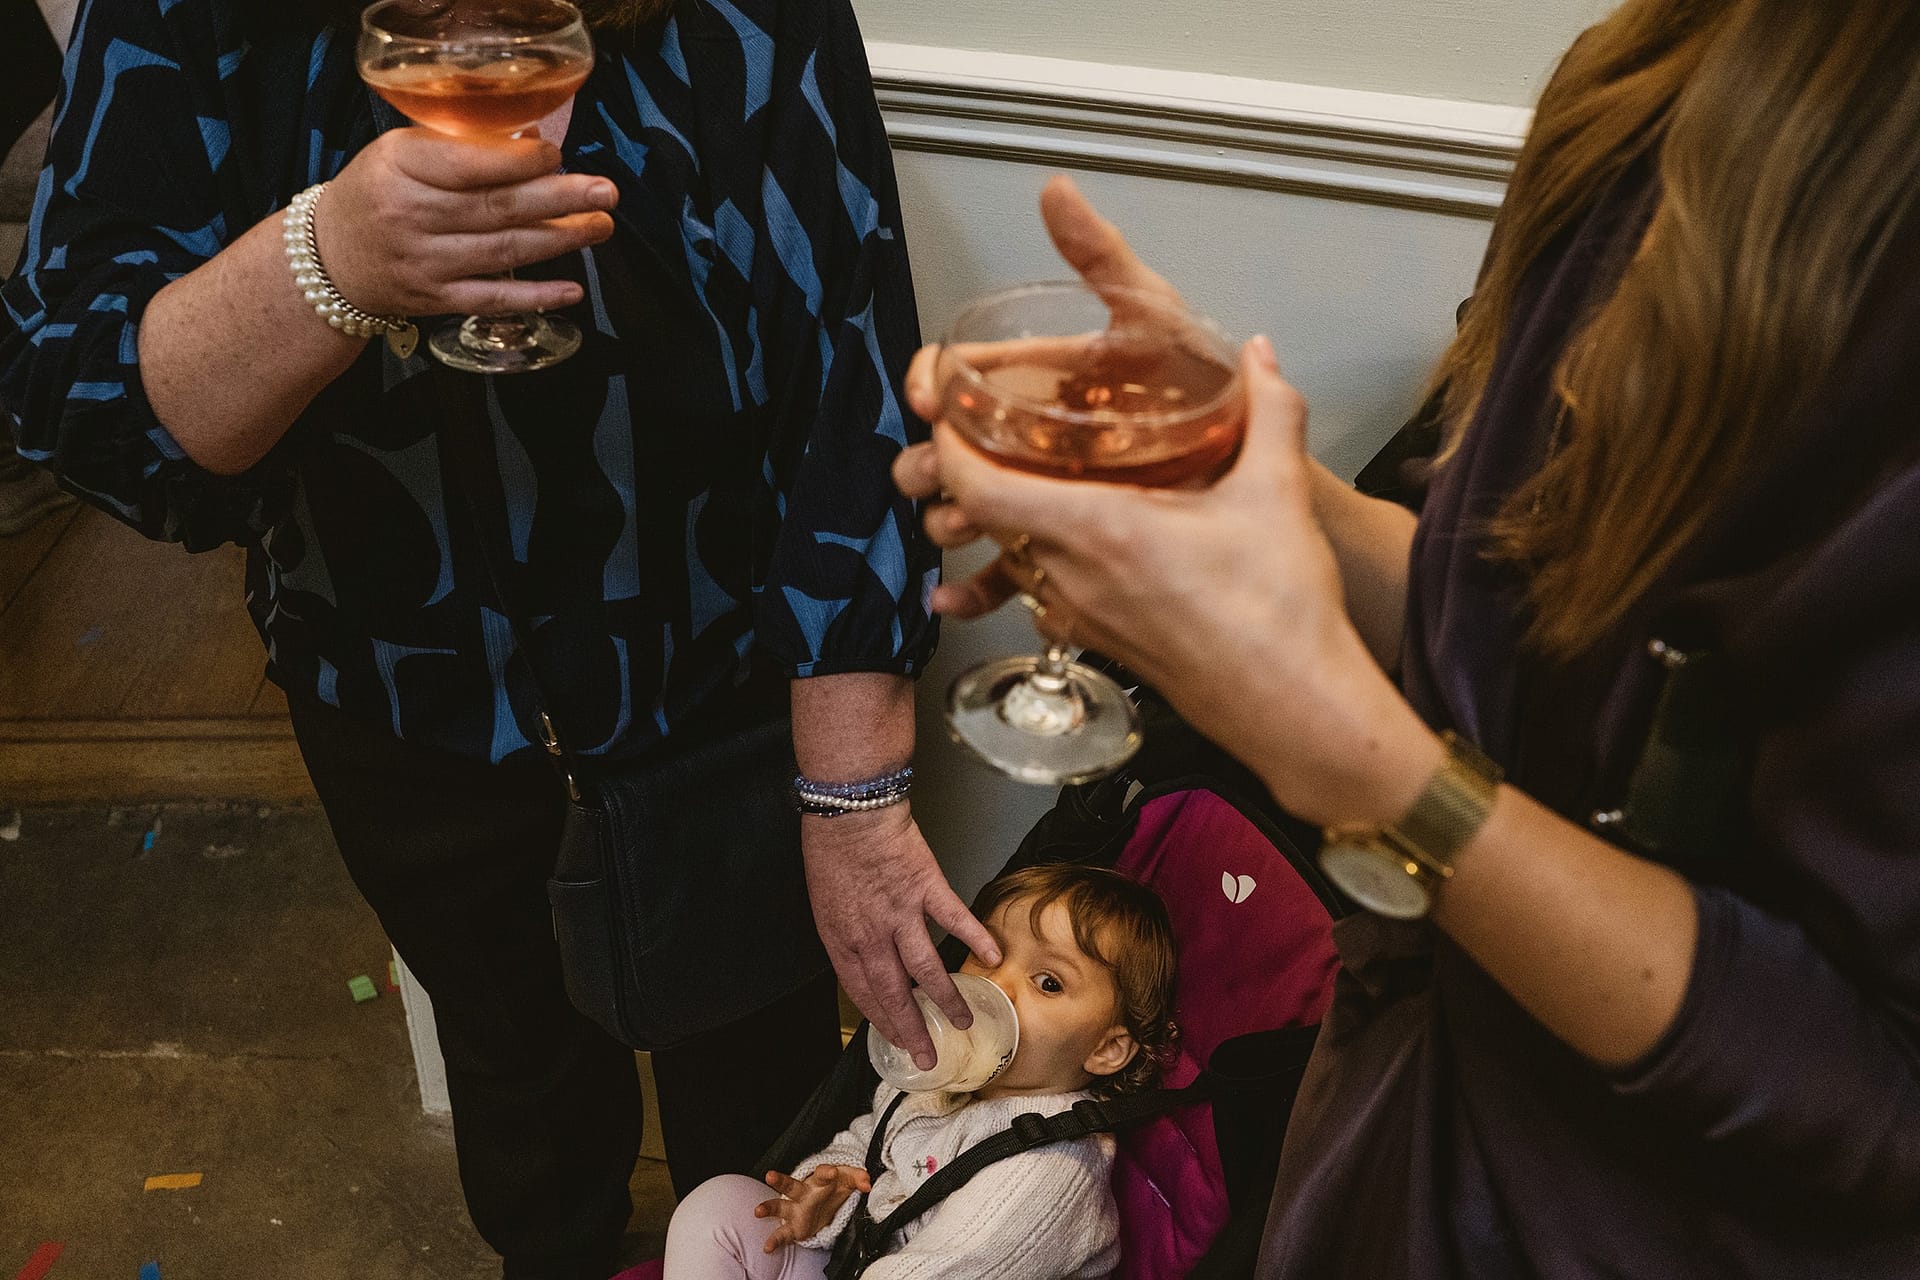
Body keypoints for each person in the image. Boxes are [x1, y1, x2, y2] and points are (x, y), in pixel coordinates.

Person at [897, 1, 1920, 1275]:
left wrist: (1368, 769)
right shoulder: (1668, 66)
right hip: (1398, 1127)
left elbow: (1870, 1087)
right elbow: (1541, 617)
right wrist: (1260, 481)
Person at [0, 0, 1001, 1275]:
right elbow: (86, 410)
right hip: (398, 705)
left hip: (727, 701)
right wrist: (330, 261)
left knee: (765, 1130)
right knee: (519, 1102)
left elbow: (851, 383)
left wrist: (853, 798)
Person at [661, 862, 1178, 1280]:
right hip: (869, 1258)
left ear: (1107, 1051)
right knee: (716, 1206)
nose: (997, 985)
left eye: (1047, 983)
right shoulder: (947, 1078)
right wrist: (828, 1193)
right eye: (986, 953)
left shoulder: (1048, 1168)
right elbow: (867, 1140)